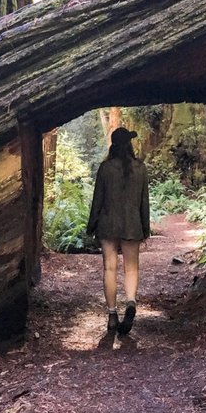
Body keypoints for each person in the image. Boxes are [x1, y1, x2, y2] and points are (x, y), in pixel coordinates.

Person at [87, 126, 150, 334]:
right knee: (131, 267)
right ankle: (131, 301)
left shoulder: (105, 169)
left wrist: (92, 224)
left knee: (109, 268)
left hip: (108, 224)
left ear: (114, 145)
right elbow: (144, 202)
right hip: (132, 223)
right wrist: (145, 227)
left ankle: (112, 314)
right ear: (129, 145)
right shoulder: (140, 168)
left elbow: (98, 200)